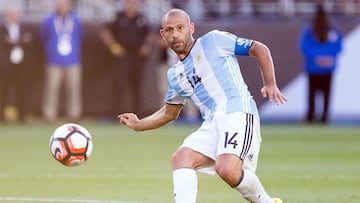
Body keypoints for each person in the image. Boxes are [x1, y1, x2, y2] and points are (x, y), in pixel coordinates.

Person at [119, 8, 287, 203]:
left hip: (238, 113)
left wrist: (270, 83)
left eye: (180, 28)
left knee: (227, 170)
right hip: (212, 123)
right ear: (163, 35)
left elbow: (259, 48)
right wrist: (139, 124)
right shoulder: (175, 74)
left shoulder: (214, 41)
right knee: (181, 158)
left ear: (191, 28)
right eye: (170, 30)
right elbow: (169, 113)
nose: (175, 34)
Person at [101, 0, 153, 117]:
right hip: (122, 56)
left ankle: (138, 114)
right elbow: (106, 32)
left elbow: (149, 34)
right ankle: (117, 114)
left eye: (134, 3)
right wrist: (114, 47)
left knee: (137, 85)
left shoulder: (141, 19)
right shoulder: (118, 17)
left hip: (137, 57)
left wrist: (146, 46)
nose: (131, 5)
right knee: (119, 84)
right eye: (129, 3)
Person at [40, 0, 83, 123]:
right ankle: (49, 115)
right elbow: (43, 38)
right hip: (54, 61)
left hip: (73, 61)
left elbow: (80, 37)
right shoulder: (49, 20)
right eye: (59, 4)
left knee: (74, 89)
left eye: (64, 4)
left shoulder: (75, 20)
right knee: (51, 89)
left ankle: (74, 114)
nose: (62, 7)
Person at [299, 3, 342, 124]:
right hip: (320, 67)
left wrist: (318, 58)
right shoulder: (310, 31)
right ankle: (320, 116)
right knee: (323, 94)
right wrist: (326, 58)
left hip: (316, 67)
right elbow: (304, 46)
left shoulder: (332, 30)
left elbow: (338, 46)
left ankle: (314, 116)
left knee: (314, 94)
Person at [0, 5, 33, 123]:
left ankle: (22, 115)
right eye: (11, 14)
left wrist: (16, 41)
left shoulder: (24, 27)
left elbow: (29, 41)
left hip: (21, 65)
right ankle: (2, 116)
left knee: (22, 89)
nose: (14, 17)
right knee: (3, 90)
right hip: (6, 65)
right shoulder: (2, 28)